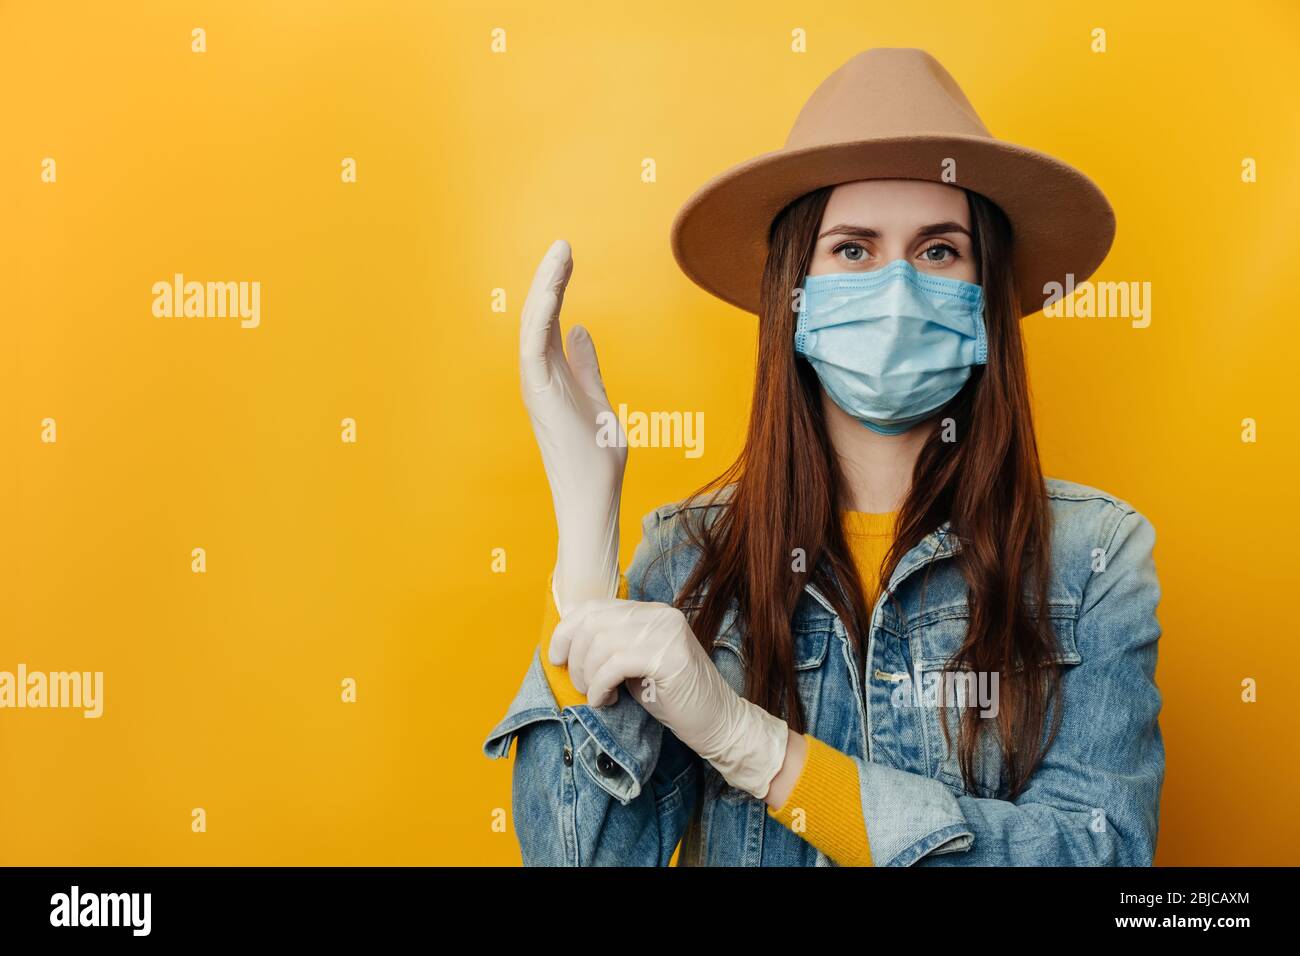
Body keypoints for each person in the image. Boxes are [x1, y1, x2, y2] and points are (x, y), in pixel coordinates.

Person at [482, 47, 1164, 866]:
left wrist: (757, 749)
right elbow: (579, 859)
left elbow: (1105, 857)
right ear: (792, 294)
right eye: (853, 250)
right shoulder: (689, 562)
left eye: (939, 251)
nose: (899, 288)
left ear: (986, 295)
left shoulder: (1093, 559)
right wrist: (586, 565)